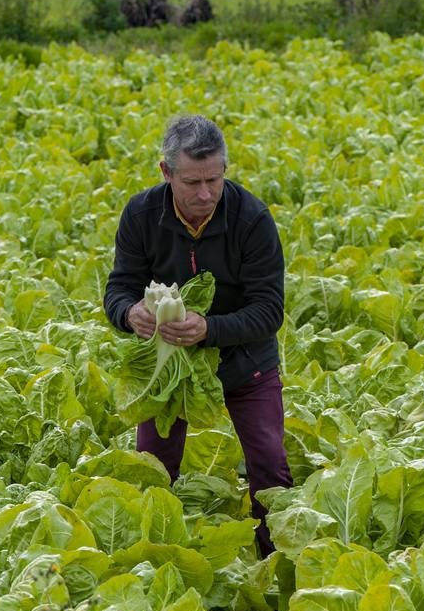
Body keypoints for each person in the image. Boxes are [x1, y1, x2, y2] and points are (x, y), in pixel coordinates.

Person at [104, 115, 290, 558]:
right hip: (169, 368)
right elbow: (119, 288)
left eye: (214, 179)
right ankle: (155, 562)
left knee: (269, 466)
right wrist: (129, 314)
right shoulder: (141, 214)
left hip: (246, 361)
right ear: (166, 172)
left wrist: (210, 329)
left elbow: (269, 310)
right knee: (154, 469)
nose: (206, 194)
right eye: (192, 182)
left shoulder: (252, 218)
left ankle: (277, 566)